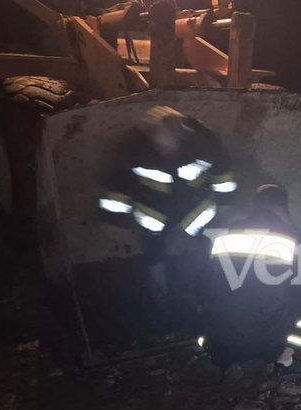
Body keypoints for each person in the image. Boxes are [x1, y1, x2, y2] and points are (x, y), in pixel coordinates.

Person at [97, 105, 236, 331]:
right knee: (154, 253)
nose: (167, 153)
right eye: (161, 147)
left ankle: (210, 294)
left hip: (196, 210)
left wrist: (226, 205)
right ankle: (161, 302)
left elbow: (222, 172)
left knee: (210, 249)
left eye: (171, 147)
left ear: (183, 136)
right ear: (150, 138)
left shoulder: (202, 140)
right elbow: (118, 184)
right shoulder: (132, 146)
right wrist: (112, 220)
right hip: (154, 213)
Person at [201, 184, 301, 377]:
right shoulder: (293, 238)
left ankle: (221, 357)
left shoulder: (226, 234)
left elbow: (203, 283)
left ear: (255, 206)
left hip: (221, 342)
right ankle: (285, 359)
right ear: (283, 208)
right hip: (269, 343)